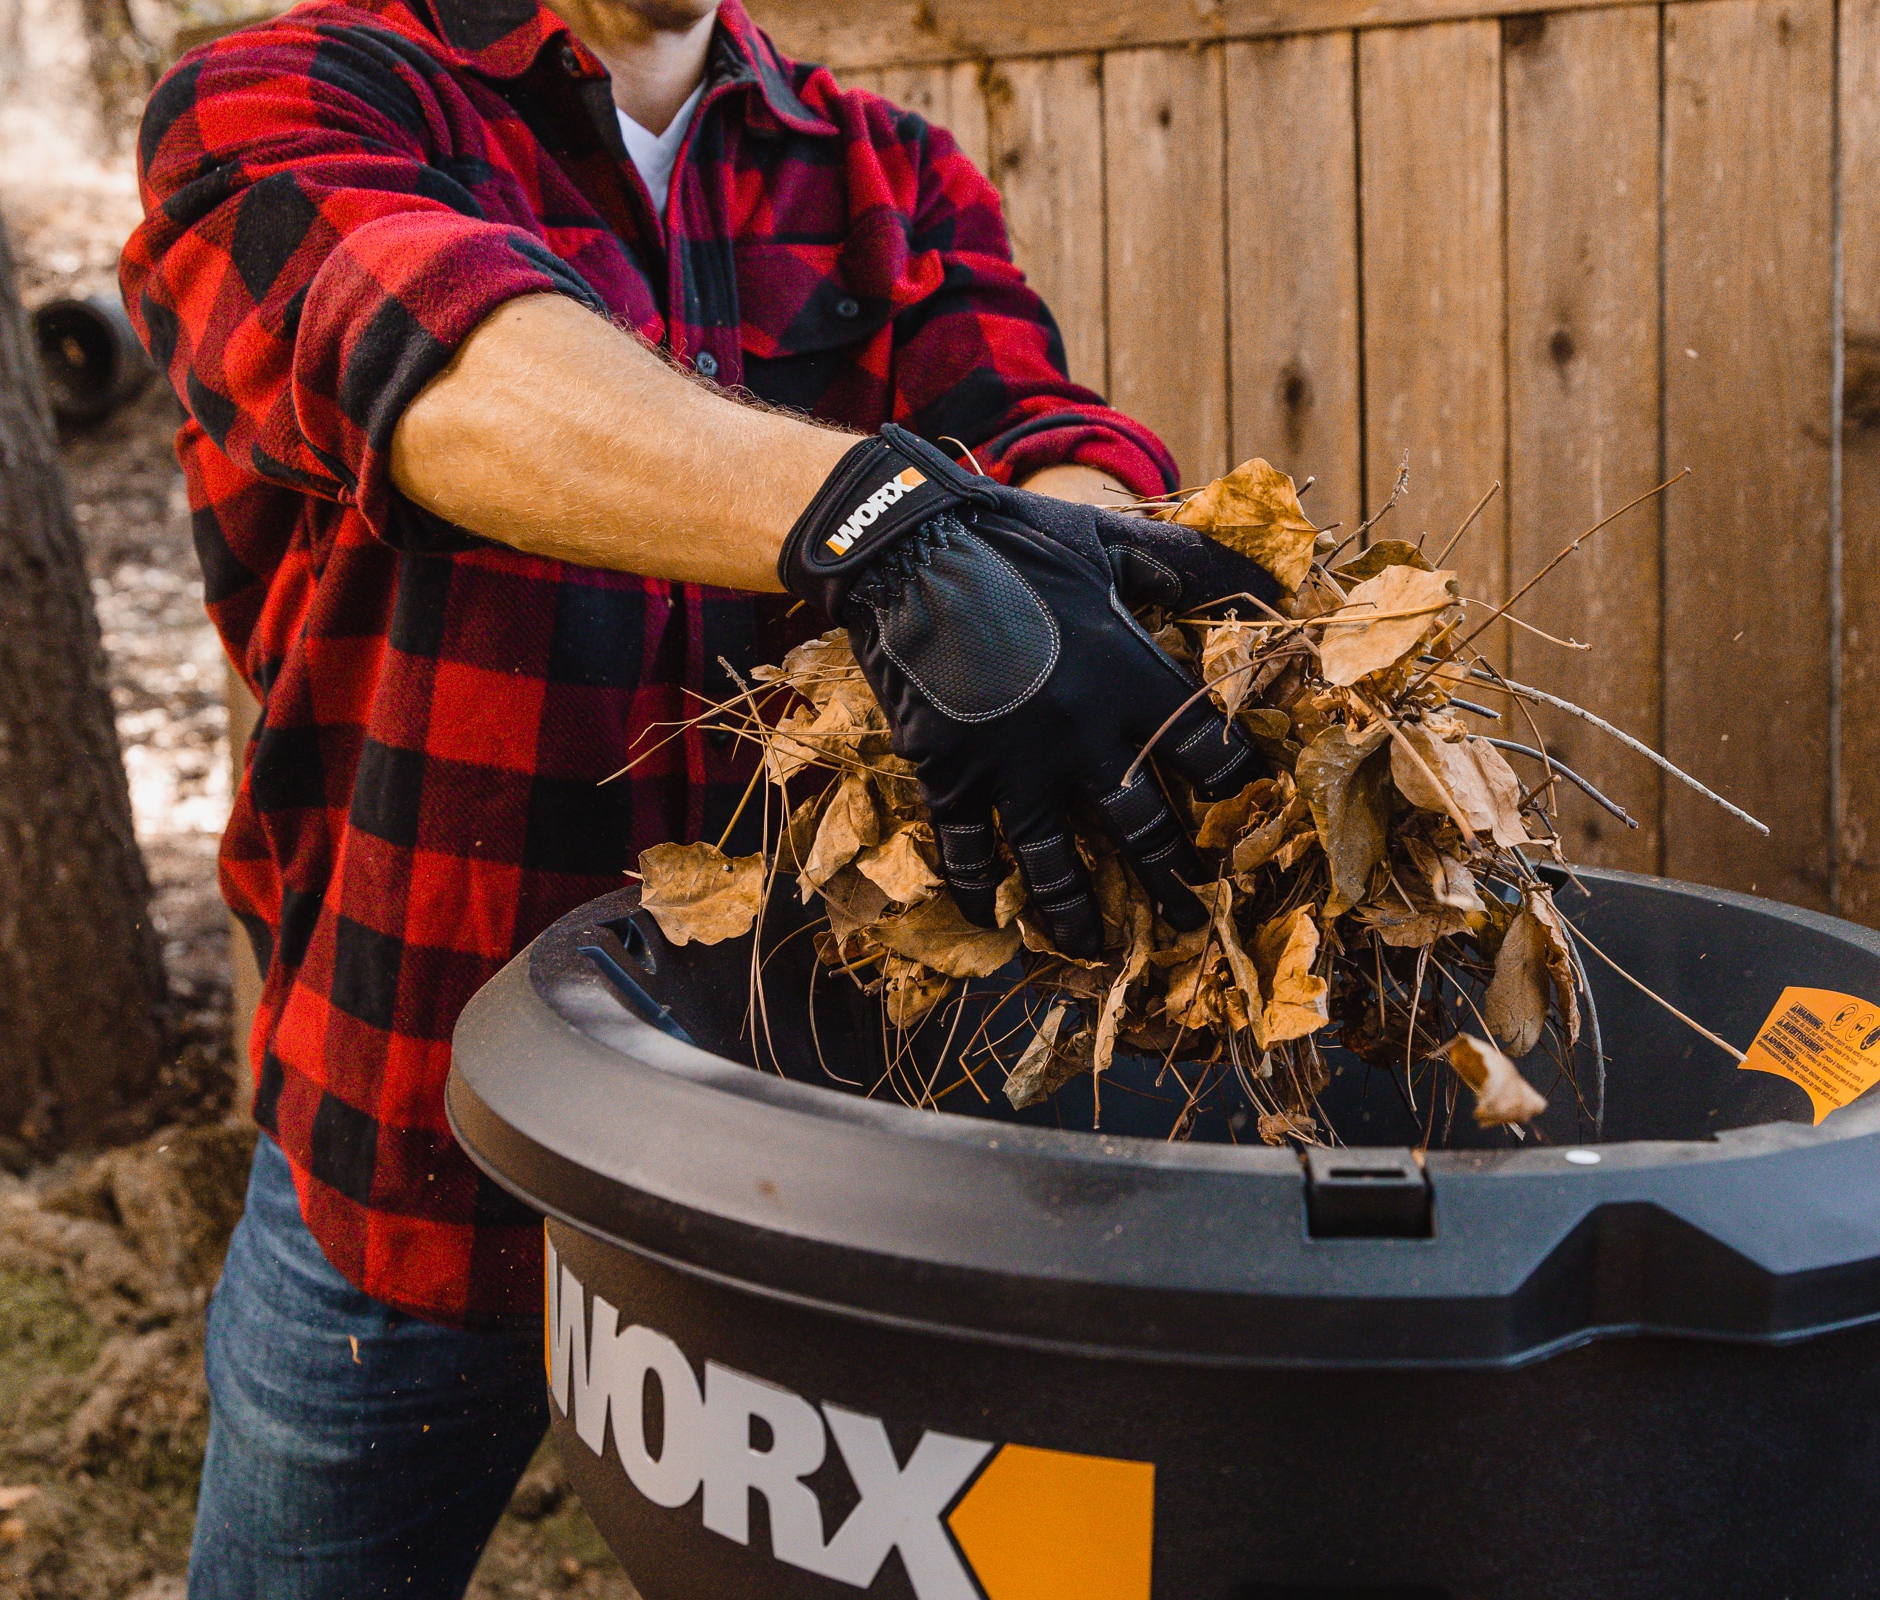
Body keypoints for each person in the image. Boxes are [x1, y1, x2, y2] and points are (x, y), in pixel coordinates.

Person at [120, 0, 1276, 1589]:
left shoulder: (884, 171)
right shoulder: (296, 90)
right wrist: (874, 510)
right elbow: (417, 348)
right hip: (416, 1131)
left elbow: (1031, 422)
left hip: (809, 1141)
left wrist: (1070, 551)